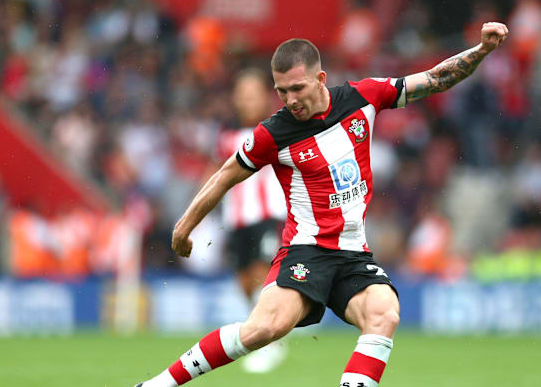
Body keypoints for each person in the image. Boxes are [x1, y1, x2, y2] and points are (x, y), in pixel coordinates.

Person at [136, 21, 509, 387]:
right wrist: (185, 225)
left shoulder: (364, 97)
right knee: (265, 327)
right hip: (307, 251)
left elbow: (433, 79)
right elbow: (225, 175)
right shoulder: (273, 132)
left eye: (297, 88)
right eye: (282, 92)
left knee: (384, 312)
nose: (290, 100)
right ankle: (159, 384)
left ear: (320, 78)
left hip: (352, 253)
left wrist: (481, 50)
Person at [215, 69, 288, 373]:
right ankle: (265, 333)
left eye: (253, 94)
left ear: (265, 97)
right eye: (242, 95)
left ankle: (270, 342)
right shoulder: (225, 135)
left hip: (268, 215)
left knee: (261, 275)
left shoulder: (278, 128)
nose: (247, 101)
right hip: (237, 220)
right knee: (245, 282)